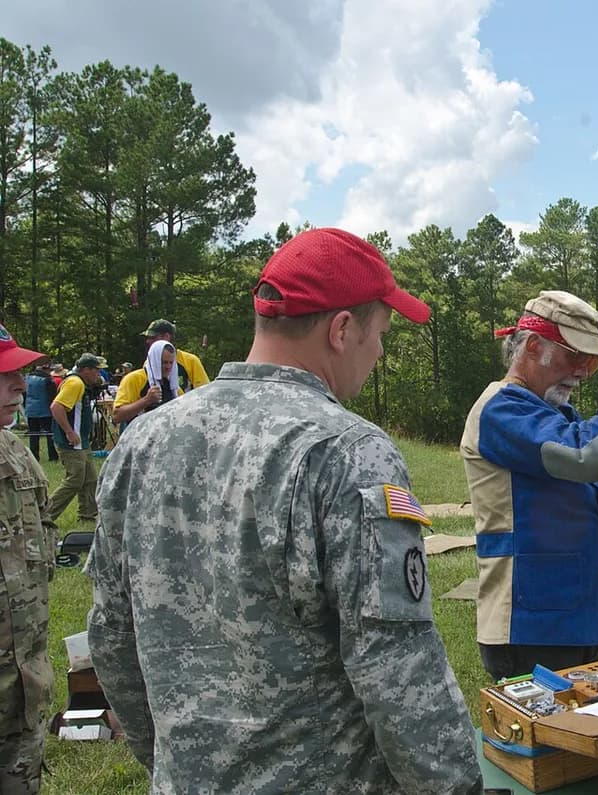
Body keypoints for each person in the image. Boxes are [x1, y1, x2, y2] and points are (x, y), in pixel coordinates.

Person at [85, 228, 482, 794]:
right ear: (342, 329)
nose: (381, 352)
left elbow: (111, 635)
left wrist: (171, 765)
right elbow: (397, 667)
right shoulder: (347, 449)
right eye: (382, 334)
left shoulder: (145, 439)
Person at [462, 290, 598, 681]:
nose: (582, 371)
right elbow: (588, 456)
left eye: (592, 362)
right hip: (530, 625)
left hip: (570, 616)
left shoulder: (553, 416)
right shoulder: (500, 409)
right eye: (575, 356)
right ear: (532, 346)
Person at [0, 325, 56, 794]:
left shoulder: (16, 454)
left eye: (19, 372)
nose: (20, 385)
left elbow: (46, 528)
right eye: (5, 374)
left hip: (22, 695)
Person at [47, 354, 104, 525]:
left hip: (81, 443)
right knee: (75, 480)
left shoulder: (79, 382)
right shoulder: (75, 383)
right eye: (96, 370)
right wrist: (69, 432)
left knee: (91, 479)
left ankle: (87, 517)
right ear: (86, 370)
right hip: (71, 443)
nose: (98, 374)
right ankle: (44, 516)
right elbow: (56, 407)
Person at [111, 340, 182, 425]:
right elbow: (116, 416)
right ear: (155, 360)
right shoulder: (134, 379)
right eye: (164, 362)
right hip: (138, 435)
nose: (168, 367)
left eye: (171, 363)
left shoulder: (172, 385)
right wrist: (146, 400)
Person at [140, 318, 210, 391]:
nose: (148, 341)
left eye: (152, 337)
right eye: (147, 338)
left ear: (166, 337)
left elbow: (204, 391)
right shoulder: (148, 363)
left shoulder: (190, 361)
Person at [23, 364, 58, 463]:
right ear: (46, 370)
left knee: (33, 435)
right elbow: (53, 396)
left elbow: (24, 394)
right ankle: (53, 456)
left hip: (30, 410)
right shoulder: (48, 380)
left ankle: (34, 457)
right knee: (50, 434)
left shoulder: (27, 378)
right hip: (45, 411)